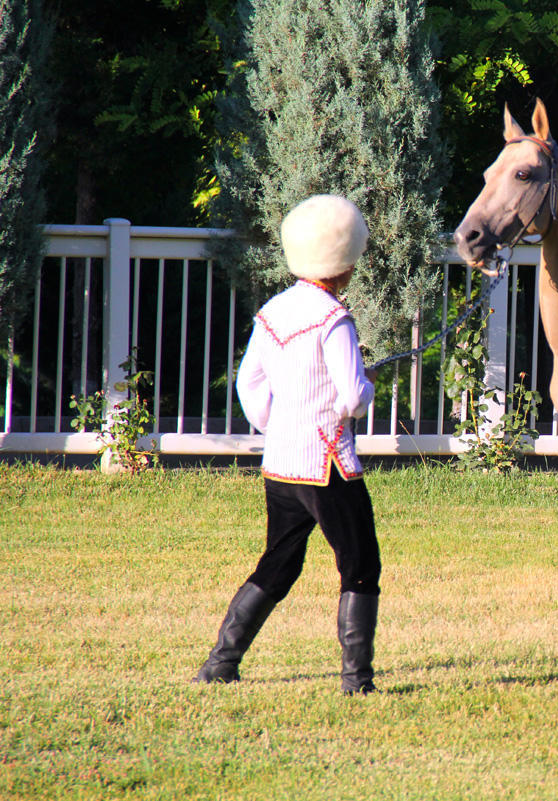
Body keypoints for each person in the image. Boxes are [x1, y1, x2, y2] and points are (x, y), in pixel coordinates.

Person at [194, 194, 381, 694]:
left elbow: (249, 384)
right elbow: (352, 397)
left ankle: (220, 664)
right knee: (360, 565)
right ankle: (356, 680)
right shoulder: (334, 318)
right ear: (345, 261)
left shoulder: (272, 312)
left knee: (279, 562)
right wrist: (368, 388)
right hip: (328, 465)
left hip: (281, 463)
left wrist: (277, 426)